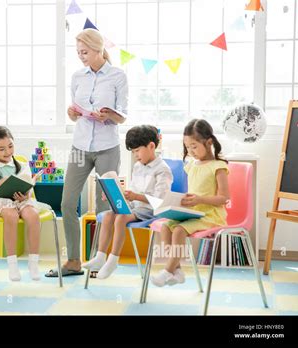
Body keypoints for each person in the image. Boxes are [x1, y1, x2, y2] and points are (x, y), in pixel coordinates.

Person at [46, 28, 128, 278]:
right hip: (79, 146)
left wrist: (109, 115)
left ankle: (97, 261)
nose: (81, 56)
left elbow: (122, 115)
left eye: (85, 52)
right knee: (68, 203)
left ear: (99, 49)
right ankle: (73, 261)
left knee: (106, 208)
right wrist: (72, 113)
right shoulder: (77, 76)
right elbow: (74, 109)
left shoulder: (117, 76)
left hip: (107, 148)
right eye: (78, 52)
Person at [82, 125, 173, 279]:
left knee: (121, 217)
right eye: (133, 152)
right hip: (135, 207)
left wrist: (136, 197)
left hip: (151, 210)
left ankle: (113, 260)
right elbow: (133, 192)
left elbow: (160, 201)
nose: (135, 155)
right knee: (109, 215)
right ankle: (100, 257)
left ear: (151, 146)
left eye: (137, 150)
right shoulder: (137, 167)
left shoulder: (162, 170)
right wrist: (114, 194)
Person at [151, 119, 230, 287]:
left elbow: (224, 198)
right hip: (193, 213)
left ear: (209, 142)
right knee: (165, 227)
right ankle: (177, 270)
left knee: (179, 230)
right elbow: (193, 193)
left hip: (211, 215)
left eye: (194, 146)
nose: (191, 151)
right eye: (187, 147)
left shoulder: (218, 166)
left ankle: (167, 271)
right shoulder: (192, 166)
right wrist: (183, 201)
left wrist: (200, 199)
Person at [0, 126, 41, 281]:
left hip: (21, 200)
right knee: (11, 215)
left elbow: (28, 189)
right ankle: (12, 264)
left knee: (33, 216)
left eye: (10, 146)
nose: (7, 152)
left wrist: (25, 194)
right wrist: (3, 182)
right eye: (1, 149)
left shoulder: (21, 163)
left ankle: (33, 263)